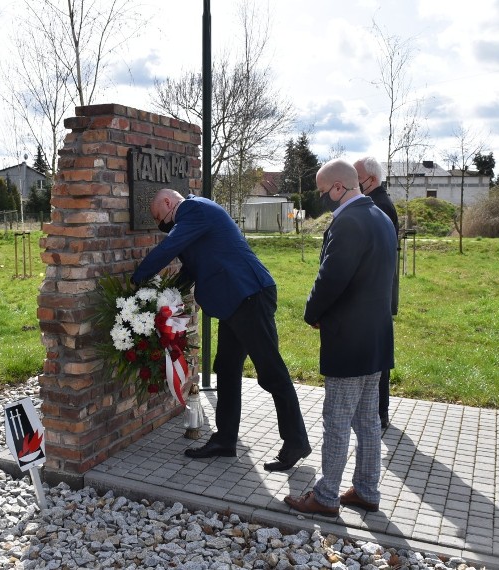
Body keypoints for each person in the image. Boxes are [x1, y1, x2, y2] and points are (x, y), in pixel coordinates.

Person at [132, 188, 311, 471]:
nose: (161, 226)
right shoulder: (192, 220)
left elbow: (169, 249)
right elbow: (190, 269)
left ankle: (296, 441)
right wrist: (165, 295)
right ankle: (225, 439)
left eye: (159, 218)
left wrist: (138, 278)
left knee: (271, 372)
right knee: (226, 368)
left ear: (168, 202)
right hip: (234, 303)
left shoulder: (195, 210)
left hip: (249, 296)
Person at [284, 159, 397, 516]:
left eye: (322, 193)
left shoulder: (348, 221)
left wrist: (311, 313)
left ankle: (326, 495)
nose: (323, 200)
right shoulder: (380, 216)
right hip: (376, 337)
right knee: (366, 422)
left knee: (336, 421)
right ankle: (366, 490)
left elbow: (331, 278)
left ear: (337, 188)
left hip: (349, 340)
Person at [354, 156, 400, 431]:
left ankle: (378, 413)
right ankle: (376, 411)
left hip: (375, 295)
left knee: (377, 359)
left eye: (357, 177)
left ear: (370, 180)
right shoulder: (381, 202)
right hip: (379, 293)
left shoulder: (379, 206)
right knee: (376, 357)